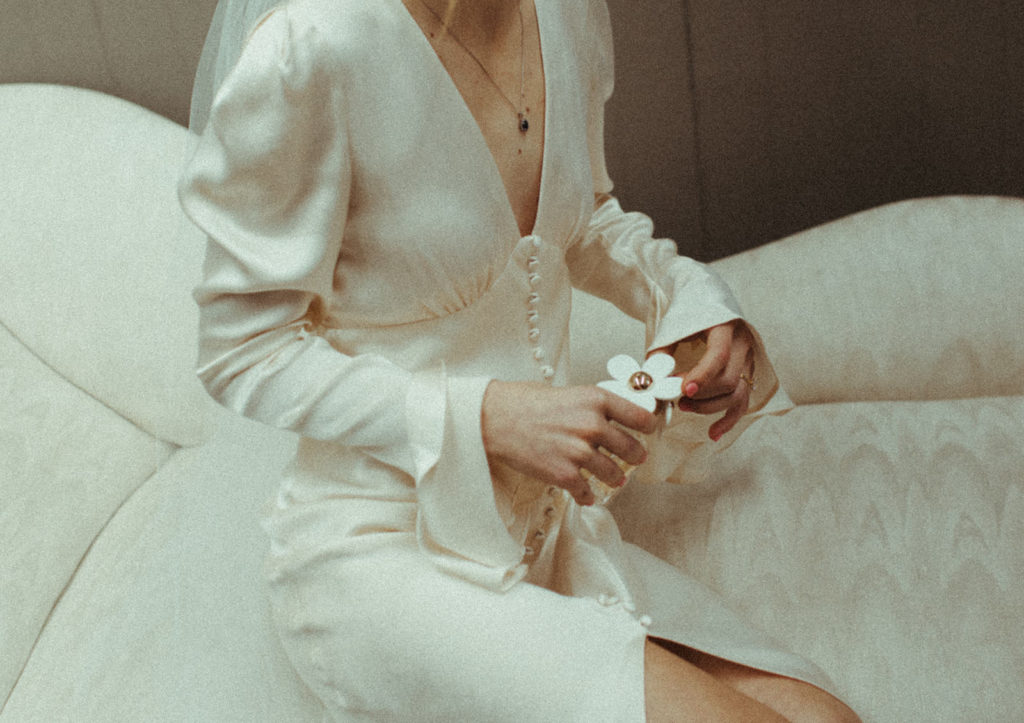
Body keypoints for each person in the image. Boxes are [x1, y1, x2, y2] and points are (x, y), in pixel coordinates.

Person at [180, 0, 861, 719]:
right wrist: (488, 416)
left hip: (540, 527)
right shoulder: (312, 47)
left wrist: (690, 297)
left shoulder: (564, 10)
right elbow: (241, 351)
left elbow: (583, 216)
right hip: (380, 550)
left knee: (825, 714)